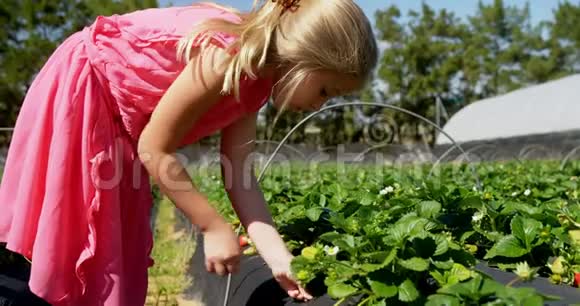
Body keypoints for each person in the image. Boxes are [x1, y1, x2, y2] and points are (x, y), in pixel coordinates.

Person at [0, 0, 378, 305]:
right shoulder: (225, 56)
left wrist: (280, 260)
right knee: (84, 241)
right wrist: (212, 225)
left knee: (113, 250)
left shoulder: (255, 82)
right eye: (326, 91)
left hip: (121, 121)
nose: (320, 105)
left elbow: (239, 176)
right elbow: (155, 147)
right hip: (88, 93)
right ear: (300, 59)